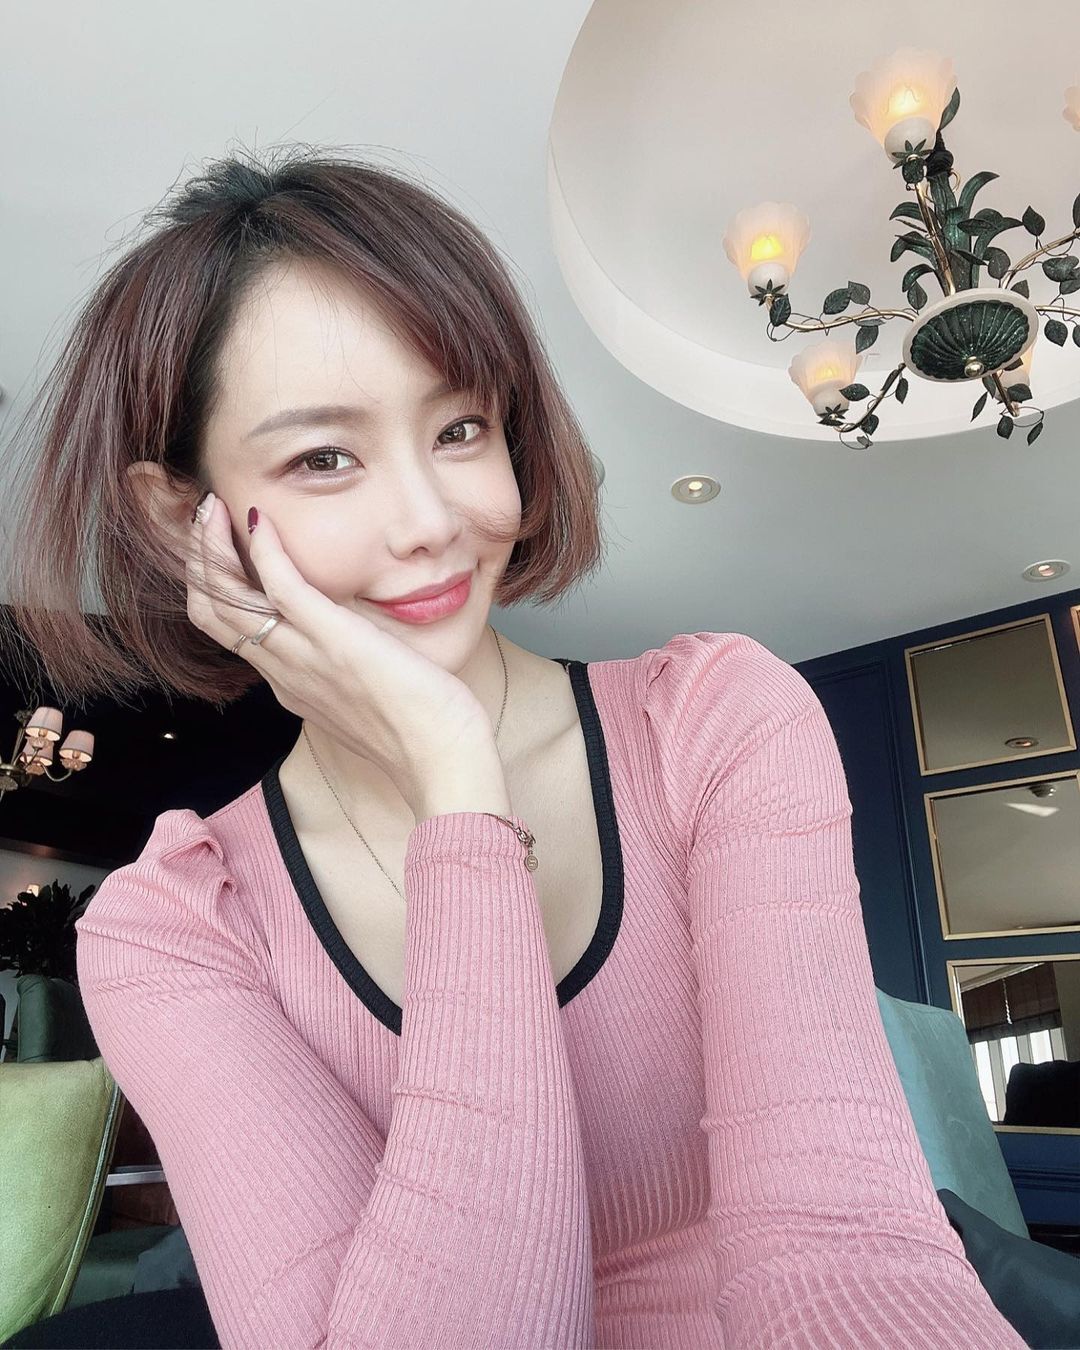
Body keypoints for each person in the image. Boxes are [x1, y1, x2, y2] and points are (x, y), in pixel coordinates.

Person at [0, 148, 1027, 1349]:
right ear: (188, 514)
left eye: (461, 426)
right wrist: (457, 789)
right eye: (322, 457)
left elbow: (846, 1251)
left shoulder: (714, 726)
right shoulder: (174, 928)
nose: (432, 521)